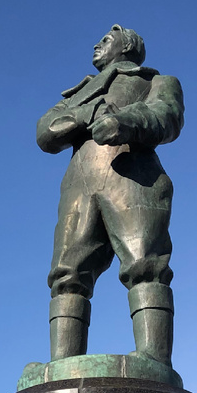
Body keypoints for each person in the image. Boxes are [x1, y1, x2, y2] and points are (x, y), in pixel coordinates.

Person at [36, 25, 184, 367]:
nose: (96, 44)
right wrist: (86, 113)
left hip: (133, 177)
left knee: (146, 264)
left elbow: (167, 116)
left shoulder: (157, 81)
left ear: (127, 45)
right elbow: (45, 132)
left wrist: (125, 122)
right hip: (80, 183)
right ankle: (62, 363)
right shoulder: (78, 94)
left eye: (105, 39)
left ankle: (154, 358)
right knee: (66, 273)